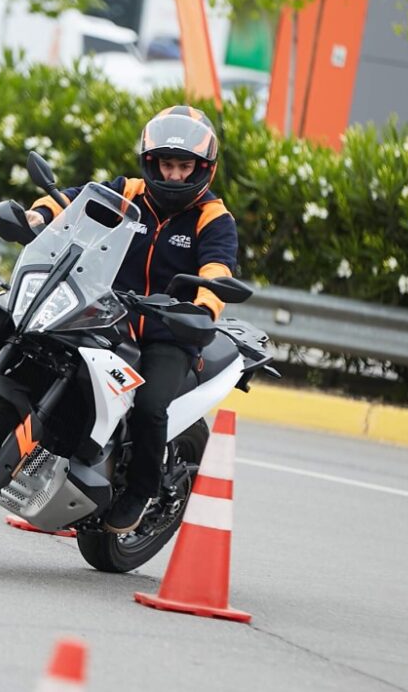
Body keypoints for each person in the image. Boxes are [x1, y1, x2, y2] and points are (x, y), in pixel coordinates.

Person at [24, 105, 239, 534]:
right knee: (56, 361)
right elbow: (74, 200)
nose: (174, 175)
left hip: (170, 333)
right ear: (150, 161)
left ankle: (140, 492)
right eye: (167, 164)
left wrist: (200, 309)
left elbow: (218, 270)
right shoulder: (129, 191)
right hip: (109, 315)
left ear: (202, 169)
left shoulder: (213, 218)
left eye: (183, 166)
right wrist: (39, 215)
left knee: (149, 405)